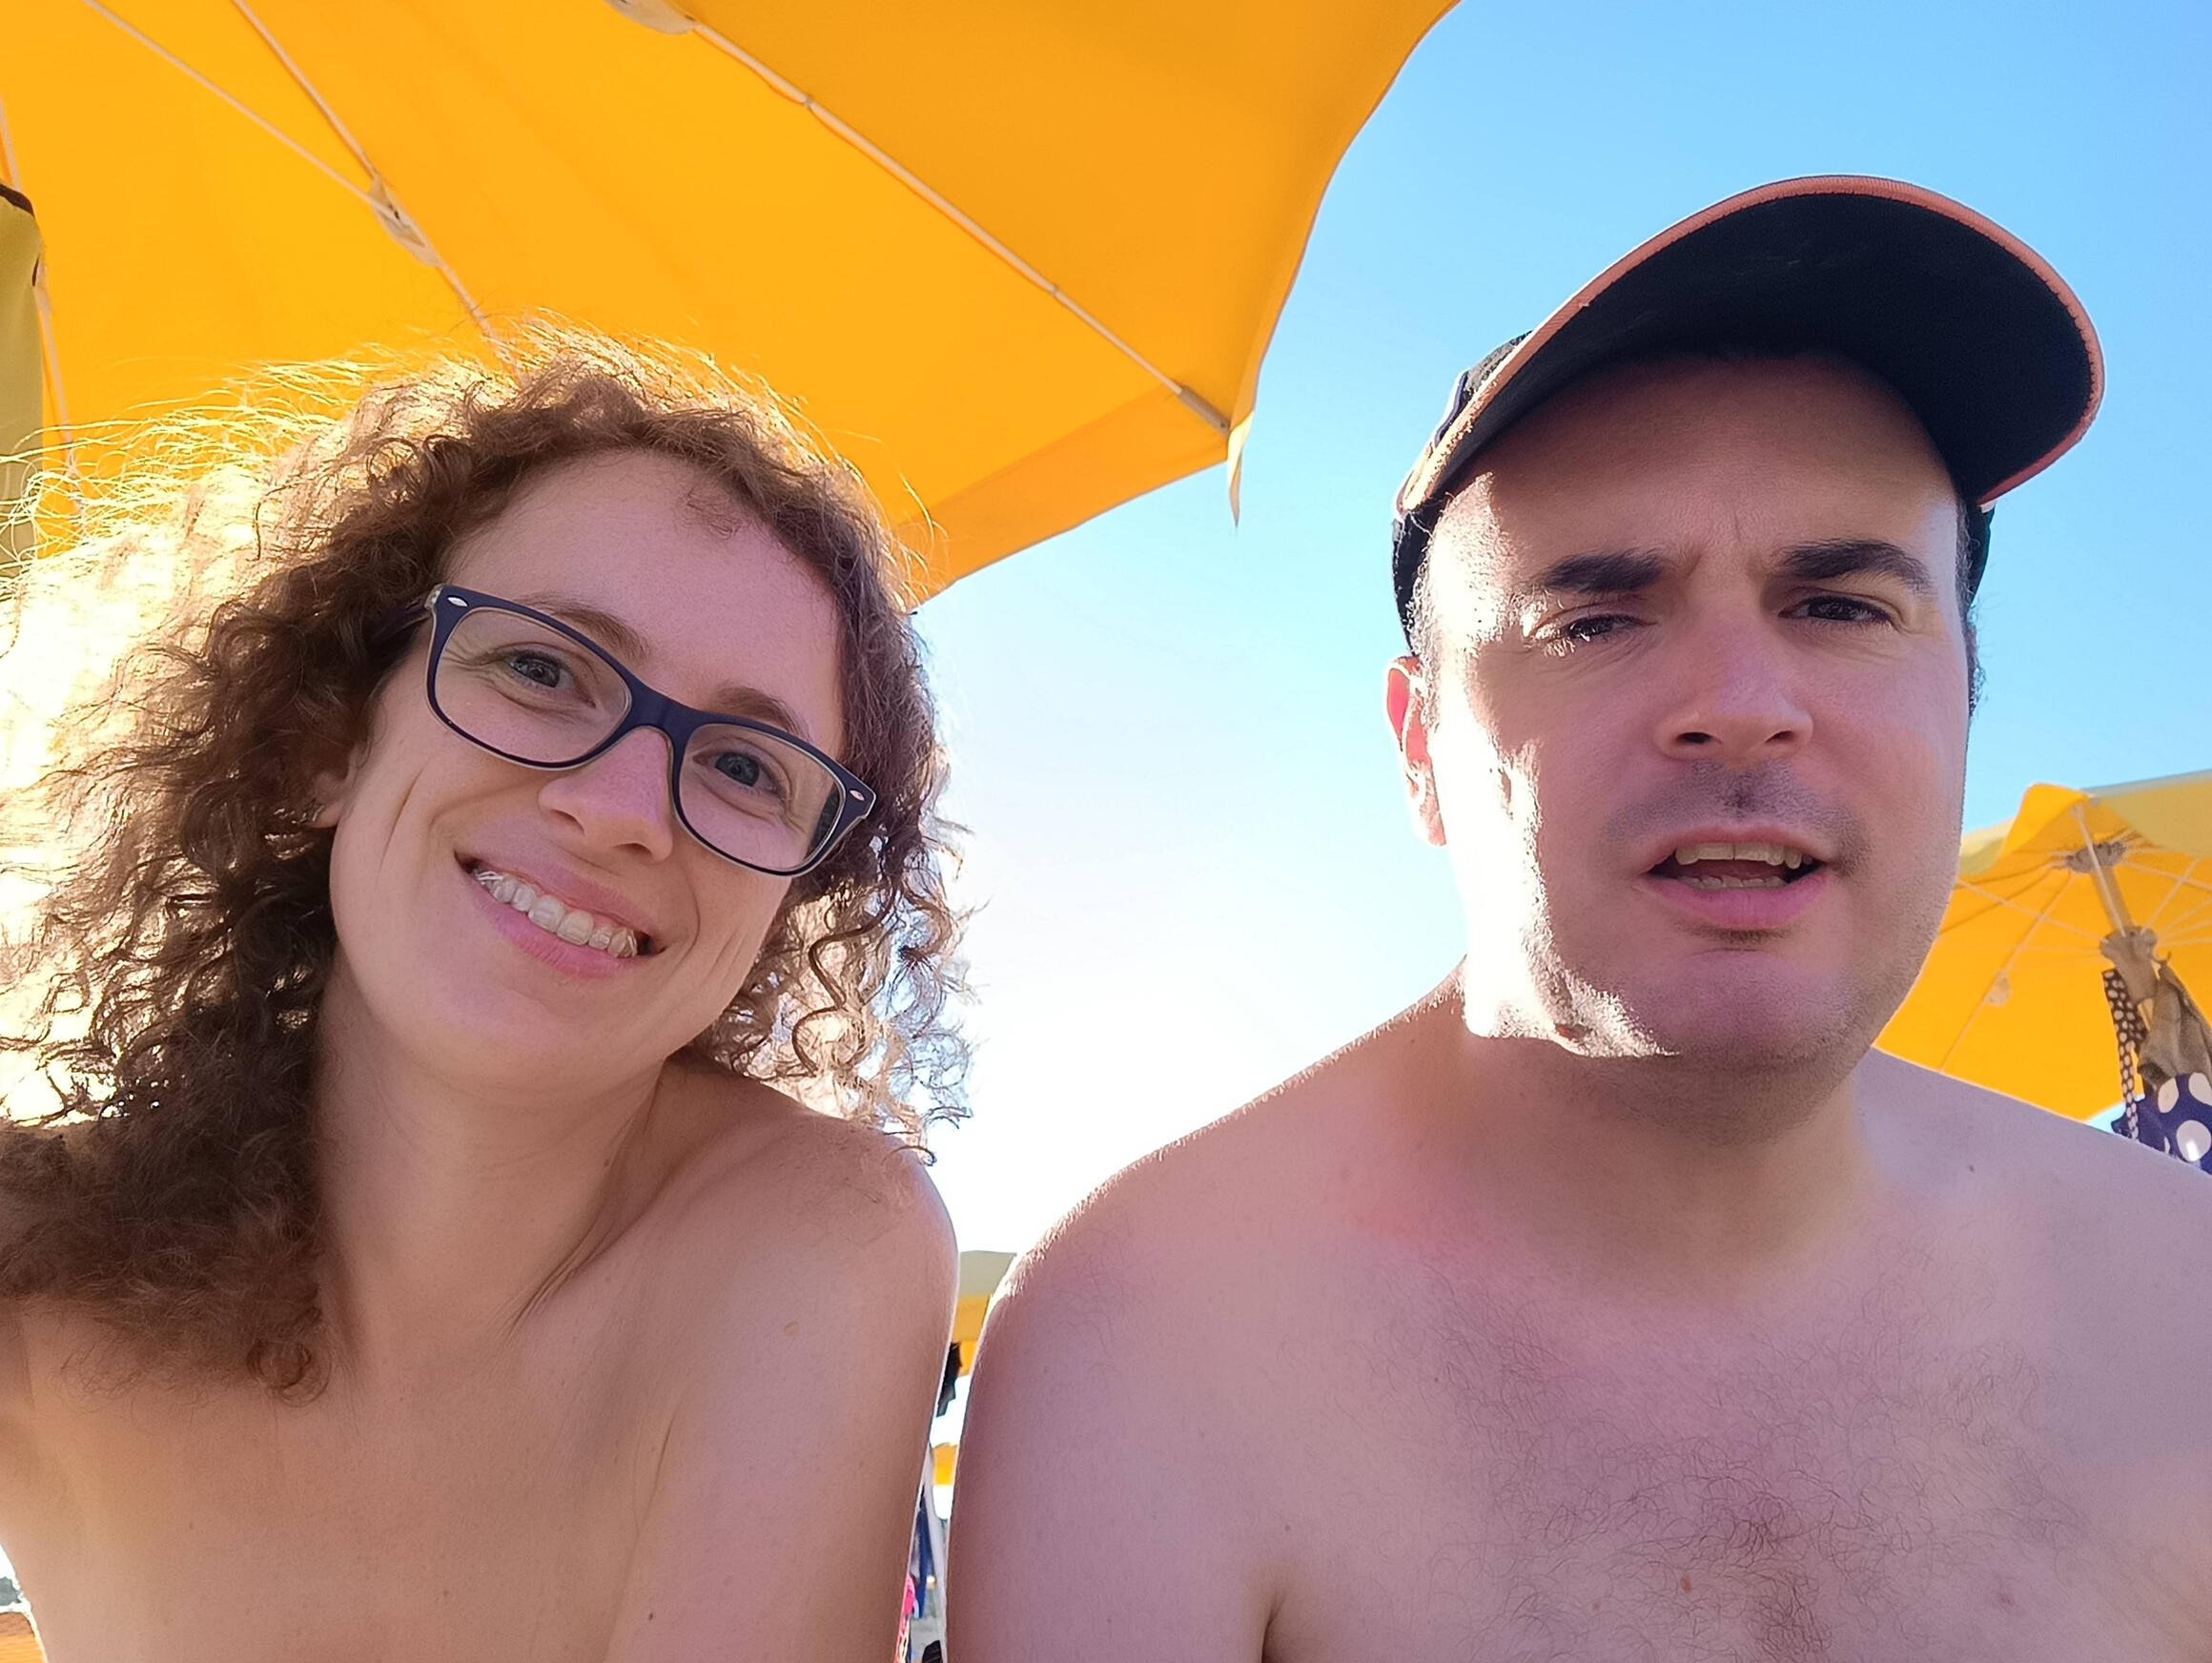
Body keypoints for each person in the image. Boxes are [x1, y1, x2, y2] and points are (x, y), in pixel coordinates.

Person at [949, 177, 2212, 1659]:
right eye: (1595, 619)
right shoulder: (1155, 1347)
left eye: (1844, 607)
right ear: (1419, 751)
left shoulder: (2178, 1300)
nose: (1741, 704)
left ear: (1968, 696)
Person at [0, 331, 964, 1661]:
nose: (622, 809)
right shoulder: (38, 1267)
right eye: (543, 670)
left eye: (747, 767)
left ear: (780, 913)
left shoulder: (811, 1241)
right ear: (330, 741)